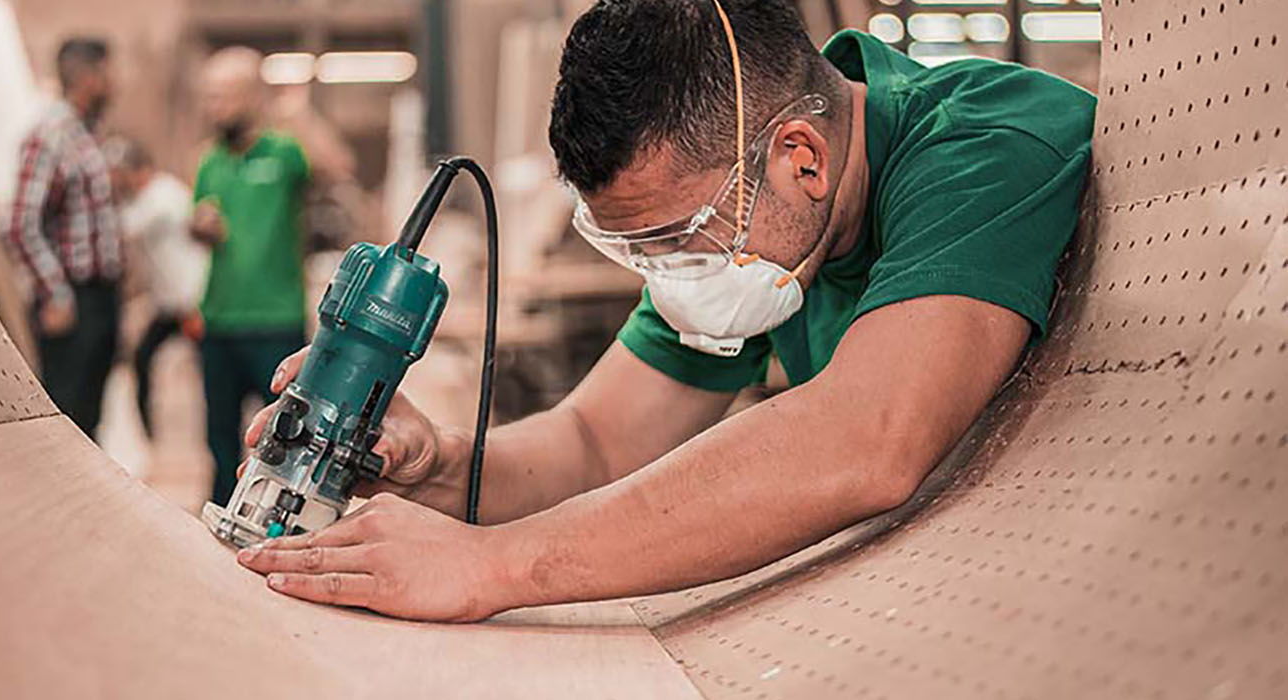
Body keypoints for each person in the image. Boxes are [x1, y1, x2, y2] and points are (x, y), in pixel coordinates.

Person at [234, 0, 1096, 622]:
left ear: (801, 157)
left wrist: (496, 564)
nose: (670, 276)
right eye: (636, 251)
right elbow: (596, 442)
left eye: (678, 240)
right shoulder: (777, 231)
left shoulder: (986, 143)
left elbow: (867, 441)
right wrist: (437, 469)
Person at [190, 47, 314, 506]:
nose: (213, 108)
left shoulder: (283, 153)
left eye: (222, 97)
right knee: (220, 440)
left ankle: (279, 521)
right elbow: (201, 225)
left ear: (252, 97)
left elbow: (337, 165)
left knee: (285, 439)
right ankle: (222, 519)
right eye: (208, 97)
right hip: (220, 321)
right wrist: (199, 226)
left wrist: (293, 110)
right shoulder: (209, 161)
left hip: (275, 320)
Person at [0, 37, 122, 439]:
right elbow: (18, 224)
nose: (115, 83)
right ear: (89, 77)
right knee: (67, 417)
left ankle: (86, 502)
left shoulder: (87, 134)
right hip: (73, 301)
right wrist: (55, 293)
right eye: (109, 73)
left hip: (102, 297)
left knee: (90, 418)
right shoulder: (50, 135)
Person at [106, 137, 208, 438]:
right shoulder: (144, 198)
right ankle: (150, 436)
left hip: (191, 301)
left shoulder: (163, 196)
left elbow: (125, 228)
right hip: (171, 304)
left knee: (211, 371)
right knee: (142, 359)